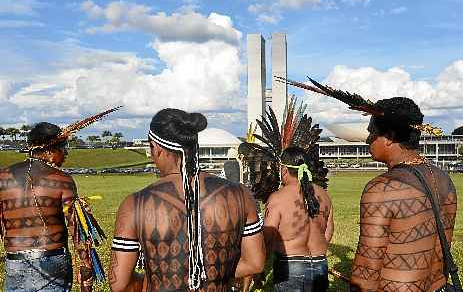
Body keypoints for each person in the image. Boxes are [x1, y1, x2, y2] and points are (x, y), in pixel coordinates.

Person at [109, 108, 265, 292]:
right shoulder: (240, 195)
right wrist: (213, 274)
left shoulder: (134, 204)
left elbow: (118, 283)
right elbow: (255, 263)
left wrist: (152, 281)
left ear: (156, 148)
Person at [348, 97, 458, 291]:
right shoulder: (443, 179)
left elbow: (366, 271)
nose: (368, 140)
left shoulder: (383, 188)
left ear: (389, 137)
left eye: (372, 132)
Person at [0, 116, 114, 291]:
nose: (66, 153)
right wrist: (86, 266)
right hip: (52, 261)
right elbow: (78, 231)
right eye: (63, 147)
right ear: (49, 150)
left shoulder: (3, 177)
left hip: (15, 264)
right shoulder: (61, 180)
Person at [263, 147, 334, 292]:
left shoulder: (277, 198)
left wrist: (260, 265)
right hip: (320, 265)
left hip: (290, 267)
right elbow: (328, 232)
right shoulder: (324, 195)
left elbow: (268, 237)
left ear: (284, 169)